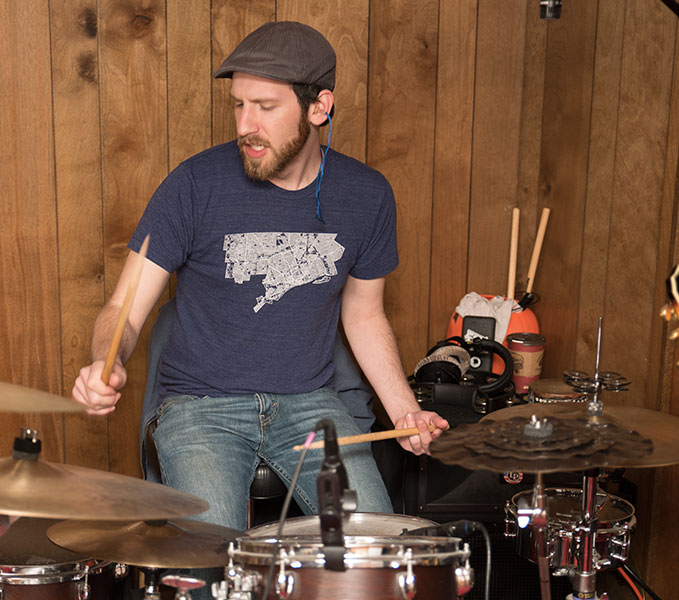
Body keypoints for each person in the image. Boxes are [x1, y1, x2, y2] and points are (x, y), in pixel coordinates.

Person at [73, 17, 447, 541]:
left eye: (265, 107)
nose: (246, 124)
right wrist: (104, 362)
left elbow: (364, 314)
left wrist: (406, 411)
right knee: (212, 560)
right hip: (201, 407)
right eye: (238, 105)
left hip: (310, 403)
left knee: (375, 547)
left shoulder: (366, 195)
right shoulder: (194, 185)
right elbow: (122, 310)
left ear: (319, 107)